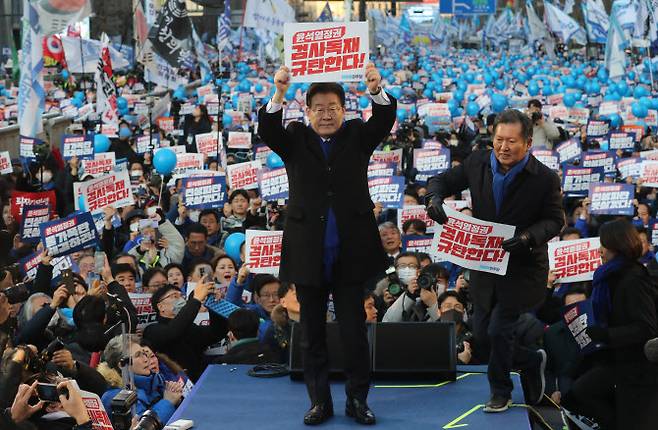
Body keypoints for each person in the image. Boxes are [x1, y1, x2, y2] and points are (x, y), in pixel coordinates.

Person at [257, 63, 396, 425]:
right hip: (308, 252)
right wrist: (279, 92)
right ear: (307, 111)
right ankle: (320, 401)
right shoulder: (295, 138)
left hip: (352, 252)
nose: (326, 114)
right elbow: (267, 128)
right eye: (318, 108)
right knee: (311, 334)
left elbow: (383, 119)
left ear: (344, 109)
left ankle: (357, 400)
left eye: (332, 107)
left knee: (354, 333)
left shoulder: (355, 135)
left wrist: (375, 88)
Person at [426, 109, 565, 412]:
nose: (503, 147)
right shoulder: (478, 161)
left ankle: (500, 391)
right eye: (499, 139)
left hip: (523, 266)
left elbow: (555, 221)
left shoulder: (544, 178)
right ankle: (531, 360)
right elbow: (442, 180)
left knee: (499, 329)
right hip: (485, 264)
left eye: (511, 141)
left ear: (528, 143)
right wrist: (434, 199)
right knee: (483, 334)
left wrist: (528, 237)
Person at [562, 219, 658, 430]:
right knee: (578, 394)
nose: (599, 251)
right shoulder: (607, 276)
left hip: (638, 368)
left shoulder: (634, 279)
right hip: (614, 359)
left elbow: (646, 328)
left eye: (603, 245)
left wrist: (605, 334)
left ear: (616, 245)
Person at [143, 283, 228, 381]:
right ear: (161, 307)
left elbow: (215, 334)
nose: (180, 300)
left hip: (200, 380)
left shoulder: (190, 327)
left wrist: (214, 305)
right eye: (174, 296)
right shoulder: (152, 330)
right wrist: (195, 300)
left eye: (182, 296)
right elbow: (172, 332)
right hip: (174, 385)